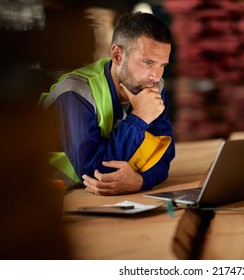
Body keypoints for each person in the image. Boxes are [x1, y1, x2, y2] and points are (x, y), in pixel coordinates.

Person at [39, 11, 175, 195]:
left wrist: (141, 181)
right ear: (117, 55)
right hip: (44, 198)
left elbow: (164, 157)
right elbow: (95, 175)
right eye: (147, 62)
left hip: (89, 197)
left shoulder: (152, 87)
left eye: (162, 65)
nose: (156, 76)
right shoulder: (75, 92)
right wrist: (139, 118)